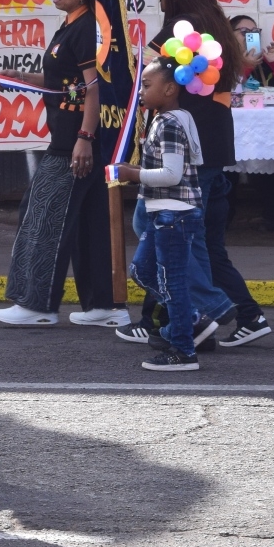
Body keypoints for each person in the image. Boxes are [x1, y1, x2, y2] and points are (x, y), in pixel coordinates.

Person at [137, 0, 267, 348]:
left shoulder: (185, 24)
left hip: (186, 146)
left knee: (156, 226)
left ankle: (209, 309)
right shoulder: (217, 22)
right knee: (196, 239)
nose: (160, 4)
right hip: (212, 144)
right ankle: (199, 319)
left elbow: (145, 65)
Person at [0, 0, 119, 326]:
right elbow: (65, 82)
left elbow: (93, 89)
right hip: (77, 140)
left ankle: (37, 306)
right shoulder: (72, 24)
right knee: (88, 226)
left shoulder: (84, 29)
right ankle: (104, 306)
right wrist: (22, 77)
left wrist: (84, 137)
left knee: (42, 216)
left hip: (73, 143)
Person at [112, 60, 210, 371]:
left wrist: (133, 174)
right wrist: (134, 170)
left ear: (169, 89)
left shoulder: (169, 123)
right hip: (164, 213)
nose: (140, 91)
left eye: (146, 85)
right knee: (142, 271)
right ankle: (187, 318)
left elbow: (171, 174)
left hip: (174, 214)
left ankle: (183, 350)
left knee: (173, 283)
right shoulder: (170, 118)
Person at [231, 14, 274, 232]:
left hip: (264, 129)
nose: (250, 36)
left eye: (254, 32)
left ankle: (269, 216)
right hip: (233, 129)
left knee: (273, 163)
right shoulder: (220, 60)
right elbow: (229, 90)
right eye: (244, 32)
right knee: (226, 169)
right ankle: (225, 217)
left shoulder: (265, 62)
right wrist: (243, 66)